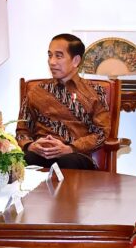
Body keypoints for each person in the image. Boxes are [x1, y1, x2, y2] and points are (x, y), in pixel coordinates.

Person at [15, 33, 112, 170]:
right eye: (50, 55)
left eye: (58, 56)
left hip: (76, 156)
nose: (52, 62)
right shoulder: (37, 91)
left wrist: (70, 148)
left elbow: (101, 133)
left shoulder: (94, 92)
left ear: (76, 61)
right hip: (40, 155)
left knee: (67, 162)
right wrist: (30, 145)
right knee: (25, 160)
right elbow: (22, 129)